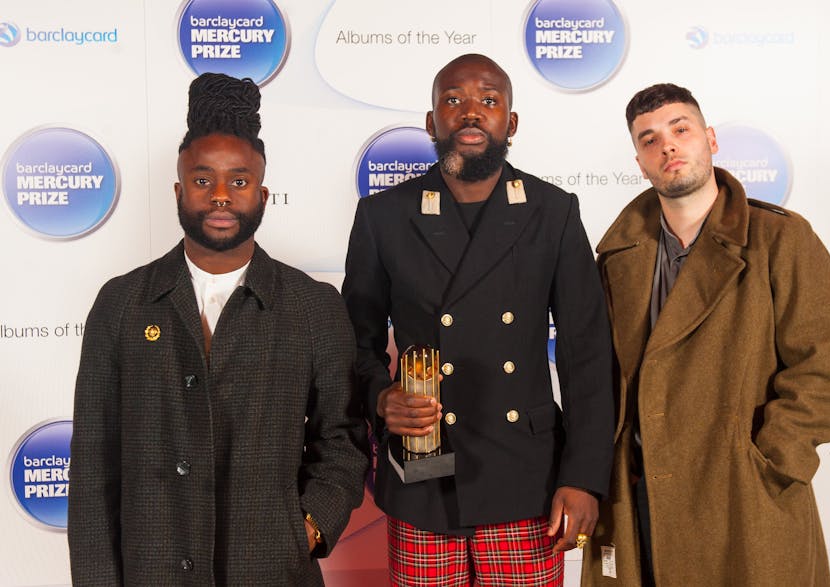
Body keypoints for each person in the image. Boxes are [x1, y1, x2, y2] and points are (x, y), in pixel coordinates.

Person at [68, 73, 369, 586]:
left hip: (274, 571)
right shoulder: (121, 304)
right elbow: (94, 469)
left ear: (264, 193)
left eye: (239, 180)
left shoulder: (313, 306)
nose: (221, 196)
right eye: (204, 180)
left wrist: (308, 528)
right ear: (178, 190)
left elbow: (342, 440)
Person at [342, 54, 614, 586]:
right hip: (423, 476)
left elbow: (587, 354)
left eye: (489, 101)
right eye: (453, 100)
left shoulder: (552, 211)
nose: (471, 113)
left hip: (527, 480)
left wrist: (583, 477)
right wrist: (380, 396)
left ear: (510, 123)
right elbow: (356, 340)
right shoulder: (384, 216)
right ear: (431, 122)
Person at [583, 83, 830, 586]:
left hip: (744, 500)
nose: (666, 145)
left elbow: (827, 368)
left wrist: (771, 459)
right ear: (639, 163)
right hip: (642, 495)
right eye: (649, 139)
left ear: (710, 139)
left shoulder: (781, 238)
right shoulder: (617, 258)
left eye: (680, 129)